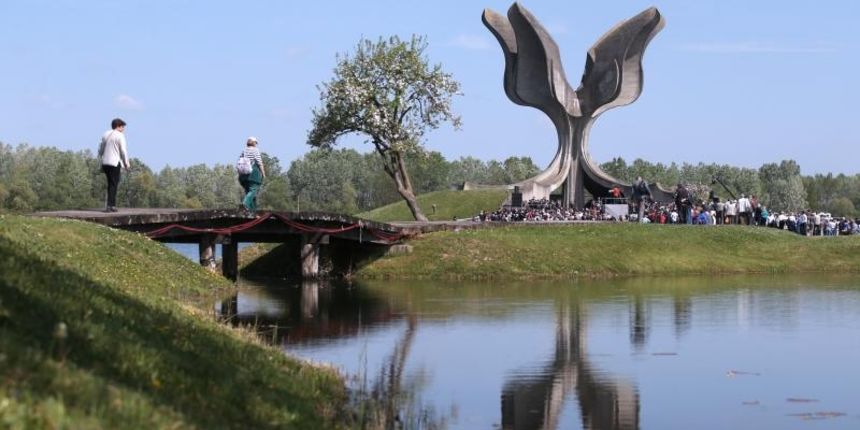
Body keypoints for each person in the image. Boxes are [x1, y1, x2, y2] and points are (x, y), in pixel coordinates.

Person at [97, 118, 131, 212]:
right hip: (115, 162)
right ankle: (110, 206)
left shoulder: (105, 134)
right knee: (114, 184)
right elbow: (123, 151)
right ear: (118, 126)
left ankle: (111, 205)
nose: (123, 129)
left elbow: (100, 149)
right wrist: (126, 163)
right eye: (122, 127)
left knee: (110, 184)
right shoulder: (120, 136)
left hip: (105, 163)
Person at [238, 136, 266, 213]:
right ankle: (244, 204)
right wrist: (263, 173)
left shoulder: (244, 150)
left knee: (249, 193)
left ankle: (252, 212)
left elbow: (239, 162)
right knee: (253, 190)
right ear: (253, 143)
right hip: (253, 175)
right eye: (255, 143)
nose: (256, 144)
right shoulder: (255, 150)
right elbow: (259, 162)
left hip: (243, 176)